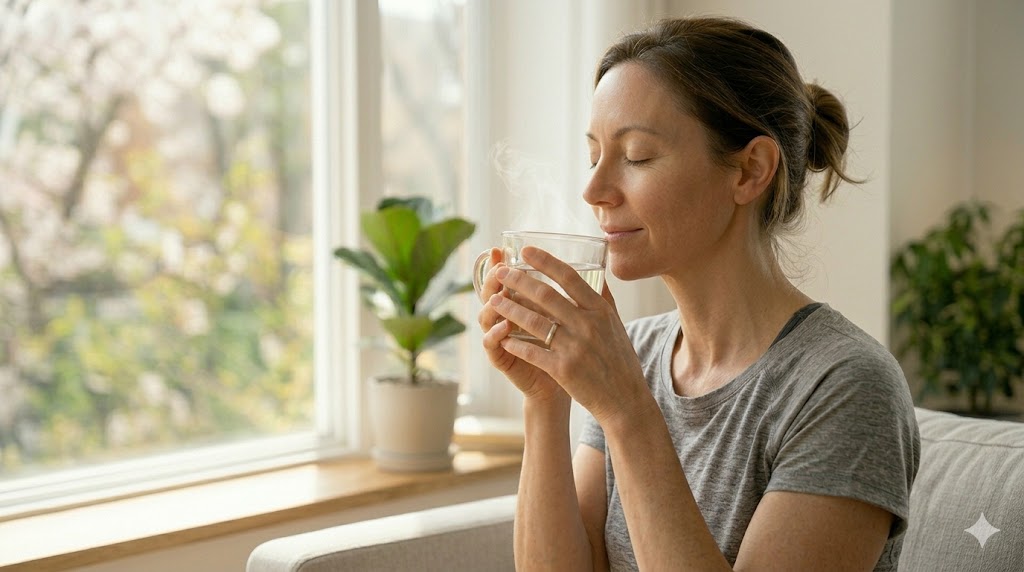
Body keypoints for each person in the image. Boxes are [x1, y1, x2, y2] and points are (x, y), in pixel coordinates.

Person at [476, 16, 920, 572]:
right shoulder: (631, 351)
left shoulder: (844, 386)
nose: (592, 189)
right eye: (594, 157)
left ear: (749, 170)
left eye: (636, 156)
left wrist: (628, 411)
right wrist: (545, 398)